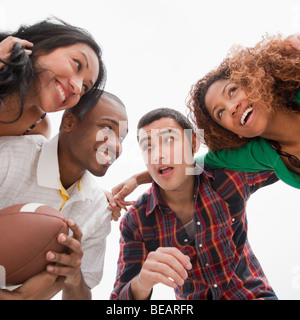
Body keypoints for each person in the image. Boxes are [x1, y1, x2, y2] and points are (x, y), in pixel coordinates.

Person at [110, 108, 278, 300]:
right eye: (148, 147)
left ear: (194, 144)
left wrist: (138, 178)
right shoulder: (137, 220)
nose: (158, 155)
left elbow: (283, 152)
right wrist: (141, 283)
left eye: (169, 140)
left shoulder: (226, 177)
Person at [0, 90, 128, 300]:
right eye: (107, 128)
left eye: (122, 137)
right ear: (68, 122)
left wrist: (74, 276)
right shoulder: (10, 158)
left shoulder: (99, 209)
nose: (116, 145)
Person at [187, 33, 300, 189]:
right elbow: (191, 165)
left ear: (255, 81)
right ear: (231, 133)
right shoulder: (260, 154)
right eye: (220, 113)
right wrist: (143, 177)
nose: (231, 107)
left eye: (232, 91)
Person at [0, 18, 106, 138]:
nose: (77, 88)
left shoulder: (36, 129)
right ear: (43, 45)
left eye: (84, 87)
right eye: (77, 64)